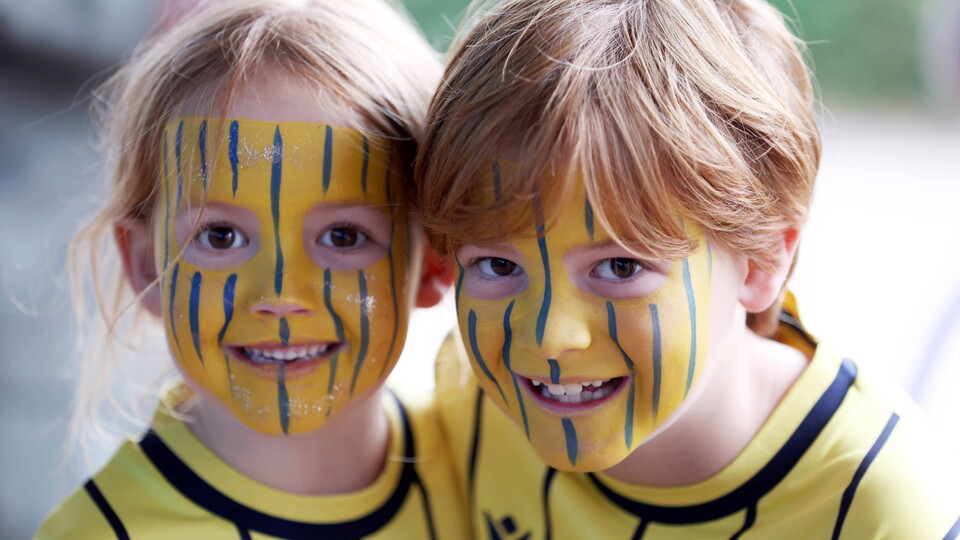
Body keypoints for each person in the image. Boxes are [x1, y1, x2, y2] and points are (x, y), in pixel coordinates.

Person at [413, 0, 960, 537]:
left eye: (622, 266)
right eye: (496, 263)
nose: (551, 339)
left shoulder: (880, 507)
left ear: (763, 261)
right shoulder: (470, 407)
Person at [35, 1, 465, 538]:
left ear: (435, 265)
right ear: (147, 266)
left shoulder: (483, 463)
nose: (280, 295)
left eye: (344, 236)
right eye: (221, 236)